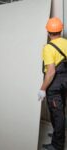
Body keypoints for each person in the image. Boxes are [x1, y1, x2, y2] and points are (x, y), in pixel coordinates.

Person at [38, 17, 67, 150]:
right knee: (60, 112)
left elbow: (50, 72)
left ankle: (57, 145)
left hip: (54, 84)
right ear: (61, 30)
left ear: (48, 32)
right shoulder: (66, 43)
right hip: (65, 82)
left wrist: (42, 89)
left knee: (57, 114)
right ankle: (57, 135)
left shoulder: (48, 48)